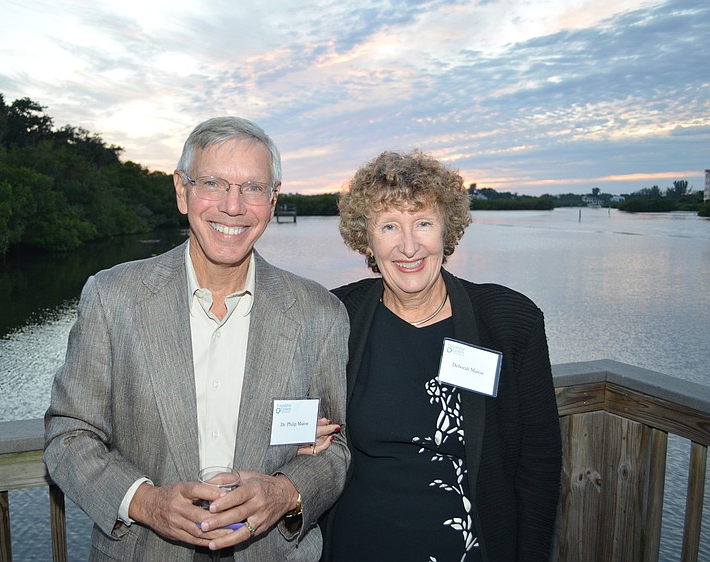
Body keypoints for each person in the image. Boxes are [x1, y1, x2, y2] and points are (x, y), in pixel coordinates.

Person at [44, 116, 350, 561]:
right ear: (181, 191)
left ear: (272, 200)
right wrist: (146, 502)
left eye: (252, 188)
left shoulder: (320, 314)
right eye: (212, 183)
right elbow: (69, 434)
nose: (232, 206)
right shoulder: (113, 298)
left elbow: (335, 448)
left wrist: (285, 492)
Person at [322, 149, 562, 561]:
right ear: (366, 238)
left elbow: (539, 463)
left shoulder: (509, 322)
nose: (409, 246)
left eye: (423, 223)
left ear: (447, 229)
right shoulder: (335, 316)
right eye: (389, 226)